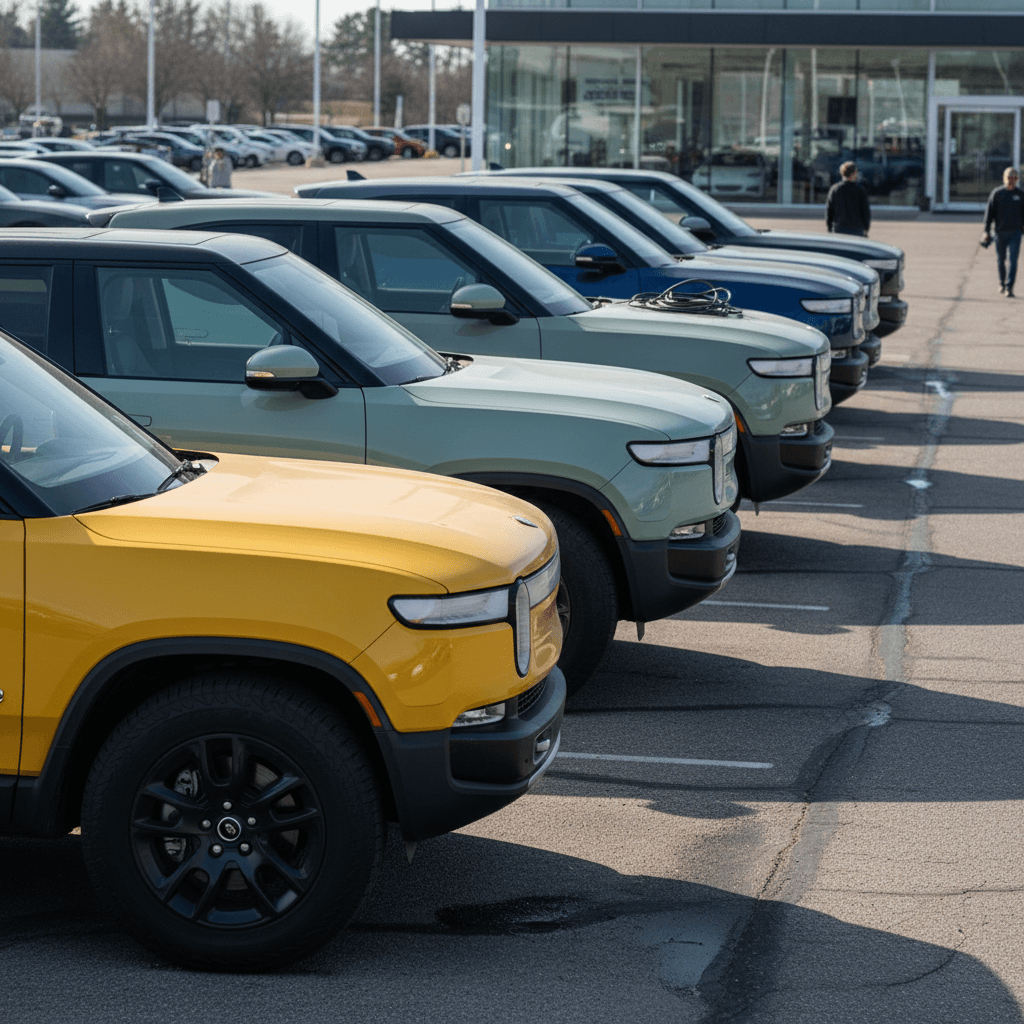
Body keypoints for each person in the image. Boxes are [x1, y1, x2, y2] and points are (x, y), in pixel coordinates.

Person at [983, 166, 1024, 298]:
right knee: (1001, 260)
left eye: (1014, 178)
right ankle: (1002, 282)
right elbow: (989, 214)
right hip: (1000, 232)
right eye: (1009, 178)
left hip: (1015, 233)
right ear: (1004, 178)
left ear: (1017, 179)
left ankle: (1009, 287)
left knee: (1013, 261)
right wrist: (986, 231)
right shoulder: (997, 194)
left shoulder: (1020, 195)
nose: (1012, 181)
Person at [825, 160, 871, 237]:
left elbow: (829, 210)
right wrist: (866, 228)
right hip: (857, 230)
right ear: (854, 174)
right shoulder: (860, 191)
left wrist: (830, 228)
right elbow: (865, 212)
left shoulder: (835, 189)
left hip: (839, 229)